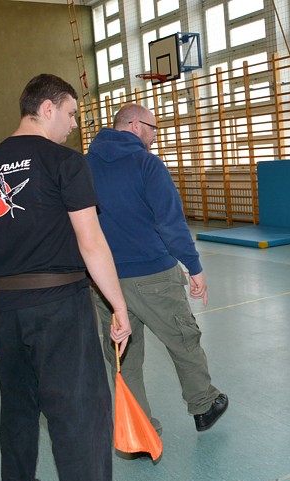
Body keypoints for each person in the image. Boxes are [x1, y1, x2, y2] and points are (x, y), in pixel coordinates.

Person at [0, 74, 132, 481]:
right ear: (47, 108)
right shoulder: (65, 162)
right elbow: (91, 242)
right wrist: (119, 305)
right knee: (80, 413)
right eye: (71, 113)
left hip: (5, 307)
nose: (75, 124)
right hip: (58, 305)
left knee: (19, 407)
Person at [86, 103, 228, 440]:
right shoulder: (146, 163)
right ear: (136, 125)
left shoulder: (83, 166)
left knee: (123, 355)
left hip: (104, 281)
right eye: (153, 129)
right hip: (153, 275)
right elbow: (170, 222)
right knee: (183, 340)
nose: (153, 137)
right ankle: (203, 404)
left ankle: (138, 429)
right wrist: (194, 266)